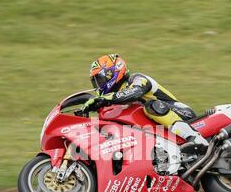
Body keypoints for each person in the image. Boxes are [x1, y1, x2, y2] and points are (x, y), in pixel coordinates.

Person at [80, 53, 209, 151]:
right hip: (159, 129)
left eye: (100, 80)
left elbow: (133, 93)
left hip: (182, 114)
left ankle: (194, 138)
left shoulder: (137, 78)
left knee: (151, 106)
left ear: (113, 73)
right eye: (95, 82)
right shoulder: (116, 100)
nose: (99, 85)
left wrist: (104, 99)